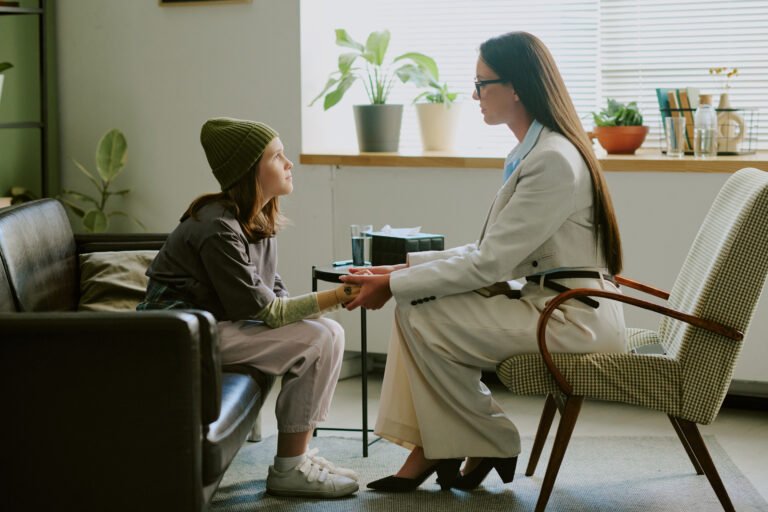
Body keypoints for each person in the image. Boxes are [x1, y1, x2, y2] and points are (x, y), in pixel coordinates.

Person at [340, 31, 627, 492]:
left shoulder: (552, 160)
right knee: (421, 307)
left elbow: (490, 263)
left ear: (516, 87)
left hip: (572, 318)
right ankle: (445, 444)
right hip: (556, 304)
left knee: (420, 313)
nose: (474, 95)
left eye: (481, 83)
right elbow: (490, 250)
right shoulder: (539, 151)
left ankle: (483, 439)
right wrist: (398, 272)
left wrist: (395, 285)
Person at [138, 117, 360, 499]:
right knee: (317, 340)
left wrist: (332, 302)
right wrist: (340, 295)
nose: (289, 163)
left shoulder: (255, 220)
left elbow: (276, 297)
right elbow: (270, 312)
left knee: (329, 333)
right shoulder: (218, 228)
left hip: (212, 328)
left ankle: (297, 458)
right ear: (249, 171)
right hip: (177, 336)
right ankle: (290, 469)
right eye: (278, 156)